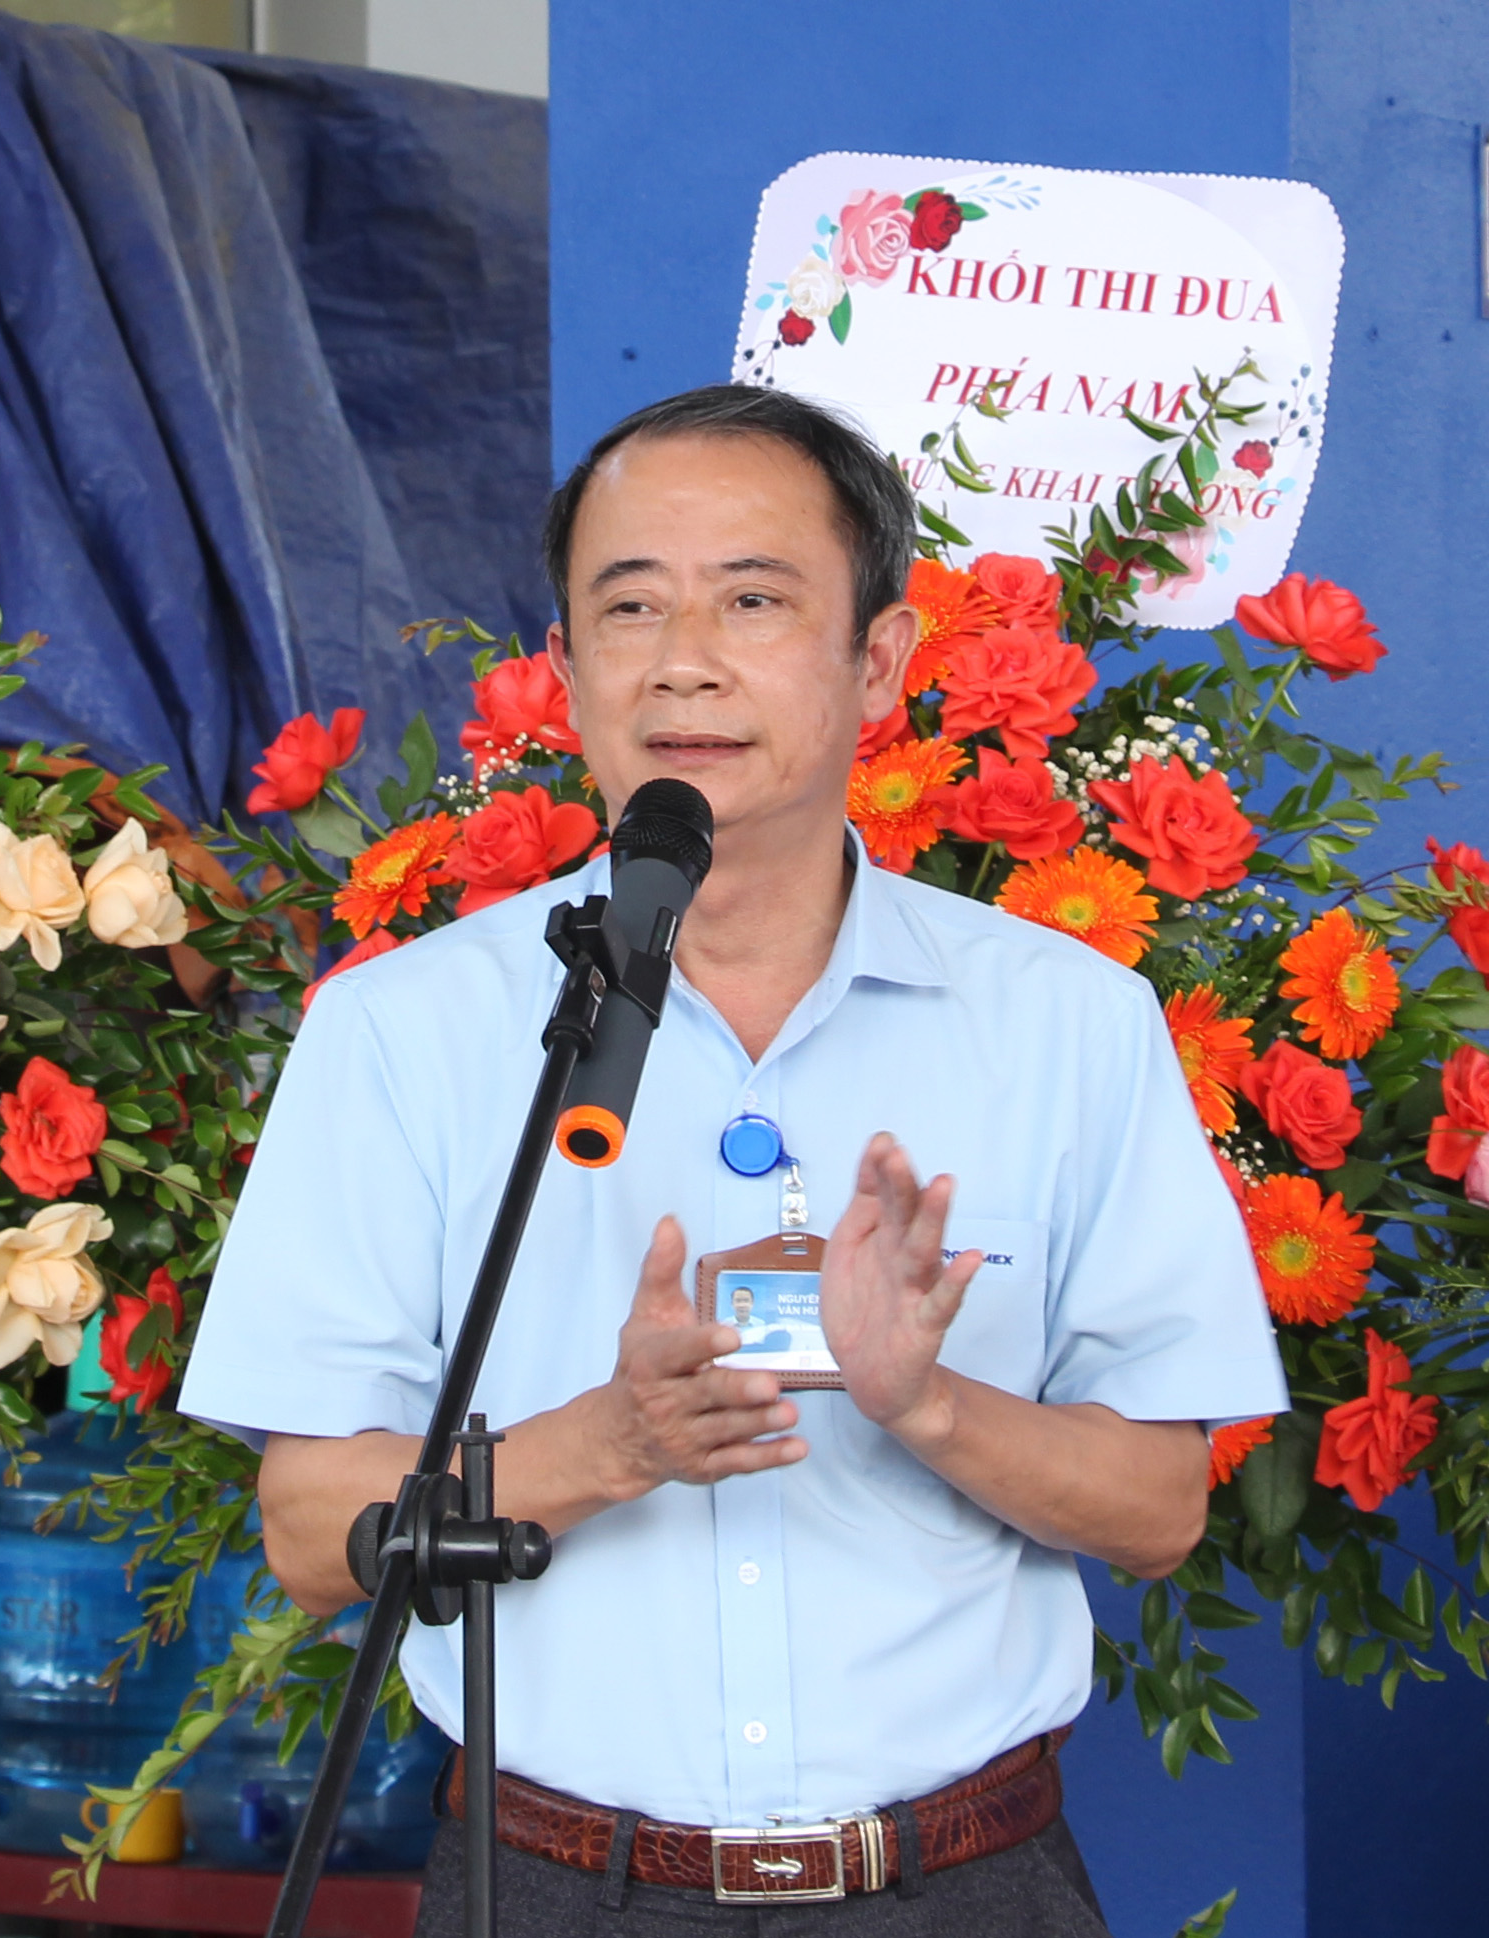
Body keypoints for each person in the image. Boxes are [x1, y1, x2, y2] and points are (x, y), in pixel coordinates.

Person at [179, 384, 1285, 1935]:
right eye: (630, 606)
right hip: (554, 1890)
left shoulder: (1066, 1021)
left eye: (753, 600)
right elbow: (309, 1531)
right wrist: (606, 1443)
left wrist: (927, 1403)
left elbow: (1160, 1508)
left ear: (877, 660)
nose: (683, 658)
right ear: (565, 669)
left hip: (959, 1888)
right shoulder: (402, 1030)